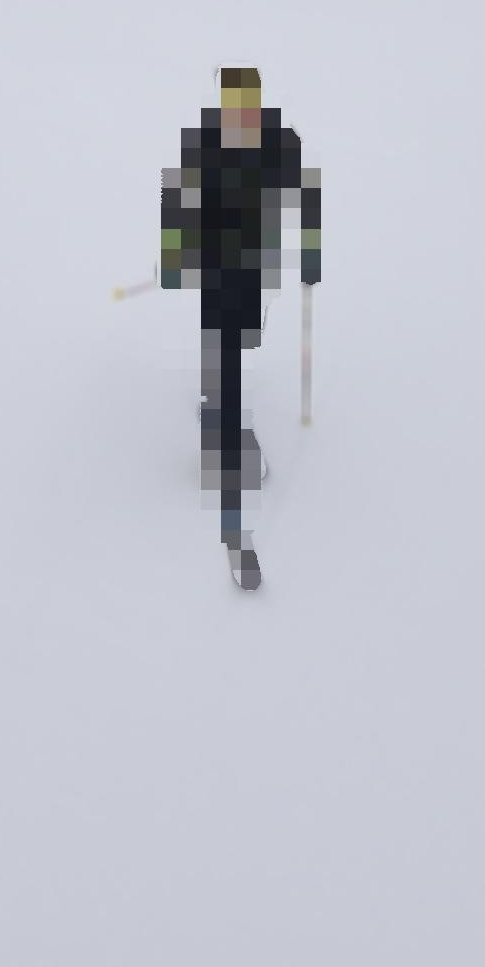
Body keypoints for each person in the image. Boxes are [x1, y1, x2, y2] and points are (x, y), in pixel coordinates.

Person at [159, 64, 318, 581]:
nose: (239, 111)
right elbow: (176, 193)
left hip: (257, 268)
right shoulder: (204, 139)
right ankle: (224, 437)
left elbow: (306, 192)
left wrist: (311, 253)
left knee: (243, 338)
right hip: (214, 267)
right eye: (232, 103)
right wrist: (172, 253)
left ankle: (219, 404)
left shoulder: (279, 140)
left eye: (247, 102)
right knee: (223, 342)